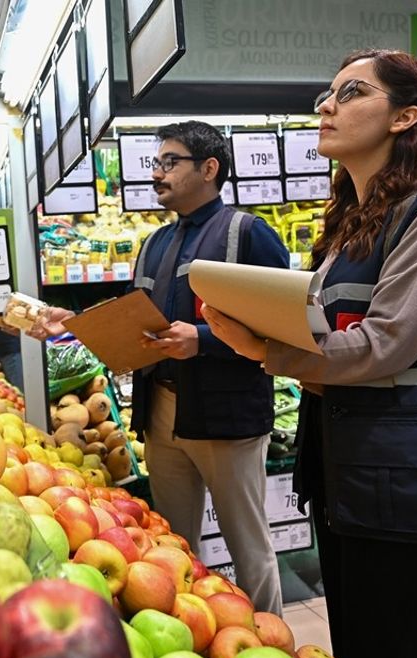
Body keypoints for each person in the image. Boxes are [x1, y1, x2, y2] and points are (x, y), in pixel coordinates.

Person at [203, 49, 417, 658]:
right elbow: (338, 338)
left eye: (350, 93)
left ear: (406, 117)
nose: (326, 105)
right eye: (327, 93)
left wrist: (269, 348)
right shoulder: (351, 224)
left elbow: (387, 342)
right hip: (355, 474)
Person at [32, 121, 288, 615]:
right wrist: (79, 322)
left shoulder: (248, 234)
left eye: (170, 162)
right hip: (163, 411)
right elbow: (139, 318)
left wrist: (206, 340)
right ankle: (196, 640)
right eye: (156, 163)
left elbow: (285, 326)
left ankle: (271, 638)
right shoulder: (154, 243)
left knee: (248, 545)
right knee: (170, 546)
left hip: (225, 415)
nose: (157, 174)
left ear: (209, 169)